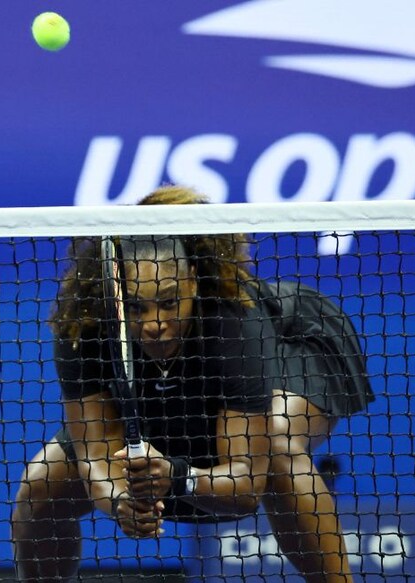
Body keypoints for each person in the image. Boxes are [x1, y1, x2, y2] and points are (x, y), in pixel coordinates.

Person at [11, 184, 373, 583]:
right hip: (172, 386)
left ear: (193, 284)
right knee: (41, 485)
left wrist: (179, 476)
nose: (154, 324)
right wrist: (121, 503)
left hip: (292, 344)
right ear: (116, 295)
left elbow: (246, 489)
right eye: (137, 307)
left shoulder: (233, 322)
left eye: (168, 302)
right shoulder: (85, 322)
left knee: (280, 446)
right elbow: (95, 457)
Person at [137, 186, 374, 583]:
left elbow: (246, 483)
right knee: (46, 477)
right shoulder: (114, 304)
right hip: (230, 352)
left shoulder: (231, 313)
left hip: (297, 337)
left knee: (278, 442)